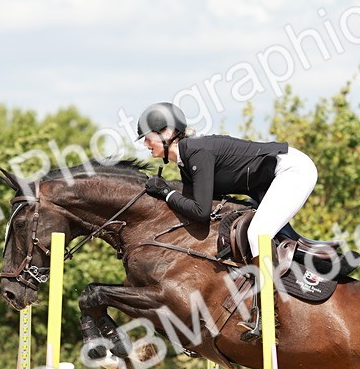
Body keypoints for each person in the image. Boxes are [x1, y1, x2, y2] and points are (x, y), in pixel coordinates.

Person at [135, 101, 318, 340]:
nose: (145, 144)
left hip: (291, 171)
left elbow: (200, 211)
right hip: (269, 182)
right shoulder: (186, 162)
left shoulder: (196, 151)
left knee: (257, 233)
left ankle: (268, 311)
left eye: (147, 138)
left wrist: (166, 192)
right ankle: (316, 264)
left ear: (167, 133)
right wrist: (166, 194)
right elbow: (198, 212)